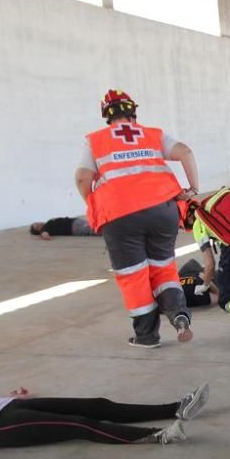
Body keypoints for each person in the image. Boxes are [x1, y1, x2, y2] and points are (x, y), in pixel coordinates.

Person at [76, 90, 198, 348]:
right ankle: (178, 315)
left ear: (105, 116)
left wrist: (93, 201)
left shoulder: (96, 141)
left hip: (120, 215)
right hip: (162, 209)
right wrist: (192, 188)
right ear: (133, 111)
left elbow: (82, 178)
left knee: (134, 275)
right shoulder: (154, 134)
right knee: (163, 267)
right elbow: (185, 152)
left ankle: (147, 336)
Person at [0, 384, 207, 450]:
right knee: (79, 426)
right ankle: (159, 436)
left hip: (4, 405)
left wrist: (5, 397)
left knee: (96, 405)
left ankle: (176, 408)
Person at [29, 216, 99, 239]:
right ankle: (108, 232)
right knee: (93, 229)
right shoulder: (45, 228)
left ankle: (108, 229)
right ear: (38, 231)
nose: (39, 224)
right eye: (37, 226)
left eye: (37, 223)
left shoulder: (48, 223)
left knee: (95, 224)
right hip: (74, 227)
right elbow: (44, 233)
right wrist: (44, 234)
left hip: (75, 221)